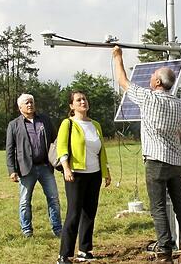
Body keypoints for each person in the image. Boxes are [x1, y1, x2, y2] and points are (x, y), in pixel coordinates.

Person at [112, 46, 181, 264]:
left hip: (156, 162)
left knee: (158, 208)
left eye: (152, 75)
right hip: (176, 162)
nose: (149, 77)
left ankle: (165, 253)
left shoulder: (148, 98)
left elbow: (123, 81)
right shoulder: (179, 104)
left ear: (158, 82)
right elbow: (180, 131)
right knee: (180, 205)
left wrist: (117, 57)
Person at [55, 91, 111, 264]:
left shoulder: (96, 125)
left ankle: (85, 250)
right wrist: (66, 168)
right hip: (75, 174)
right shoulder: (68, 123)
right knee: (73, 214)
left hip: (94, 175)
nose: (83, 102)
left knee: (89, 213)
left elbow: (102, 151)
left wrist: (106, 172)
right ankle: (64, 255)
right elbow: (62, 147)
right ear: (72, 106)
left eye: (85, 99)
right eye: (78, 100)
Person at [5, 93, 63, 238]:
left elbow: (56, 141)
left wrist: (60, 162)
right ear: (20, 107)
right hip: (26, 169)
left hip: (45, 167)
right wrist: (12, 170)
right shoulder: (14, 125)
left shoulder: (45, 120)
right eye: (26, 103)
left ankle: (58, 229)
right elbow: (10, 150)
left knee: (54, 199)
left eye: (31, 102)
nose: (30, 105)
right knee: (24, 201)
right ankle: (27, 230)